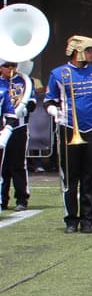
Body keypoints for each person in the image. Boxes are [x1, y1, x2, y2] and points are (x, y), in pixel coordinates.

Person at [44, 35, 92, 233]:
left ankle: (88, 220)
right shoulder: (58, 73)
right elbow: (49, 101)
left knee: (89, 177)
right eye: (89, 50)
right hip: (67, 128)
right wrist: (55, 112)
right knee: (70, 177)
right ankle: (71, 219)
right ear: (78, 51)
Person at [0, 61, 36, 209]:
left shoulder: (25, 81)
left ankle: (21, 198)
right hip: (1, 128)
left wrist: (22, 110)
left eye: (13, 65)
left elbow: (32, 103)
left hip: (19, 127)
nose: (11, 69)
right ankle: (2, 198)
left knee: (18, 164)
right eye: (7, 65)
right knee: (2, 166)